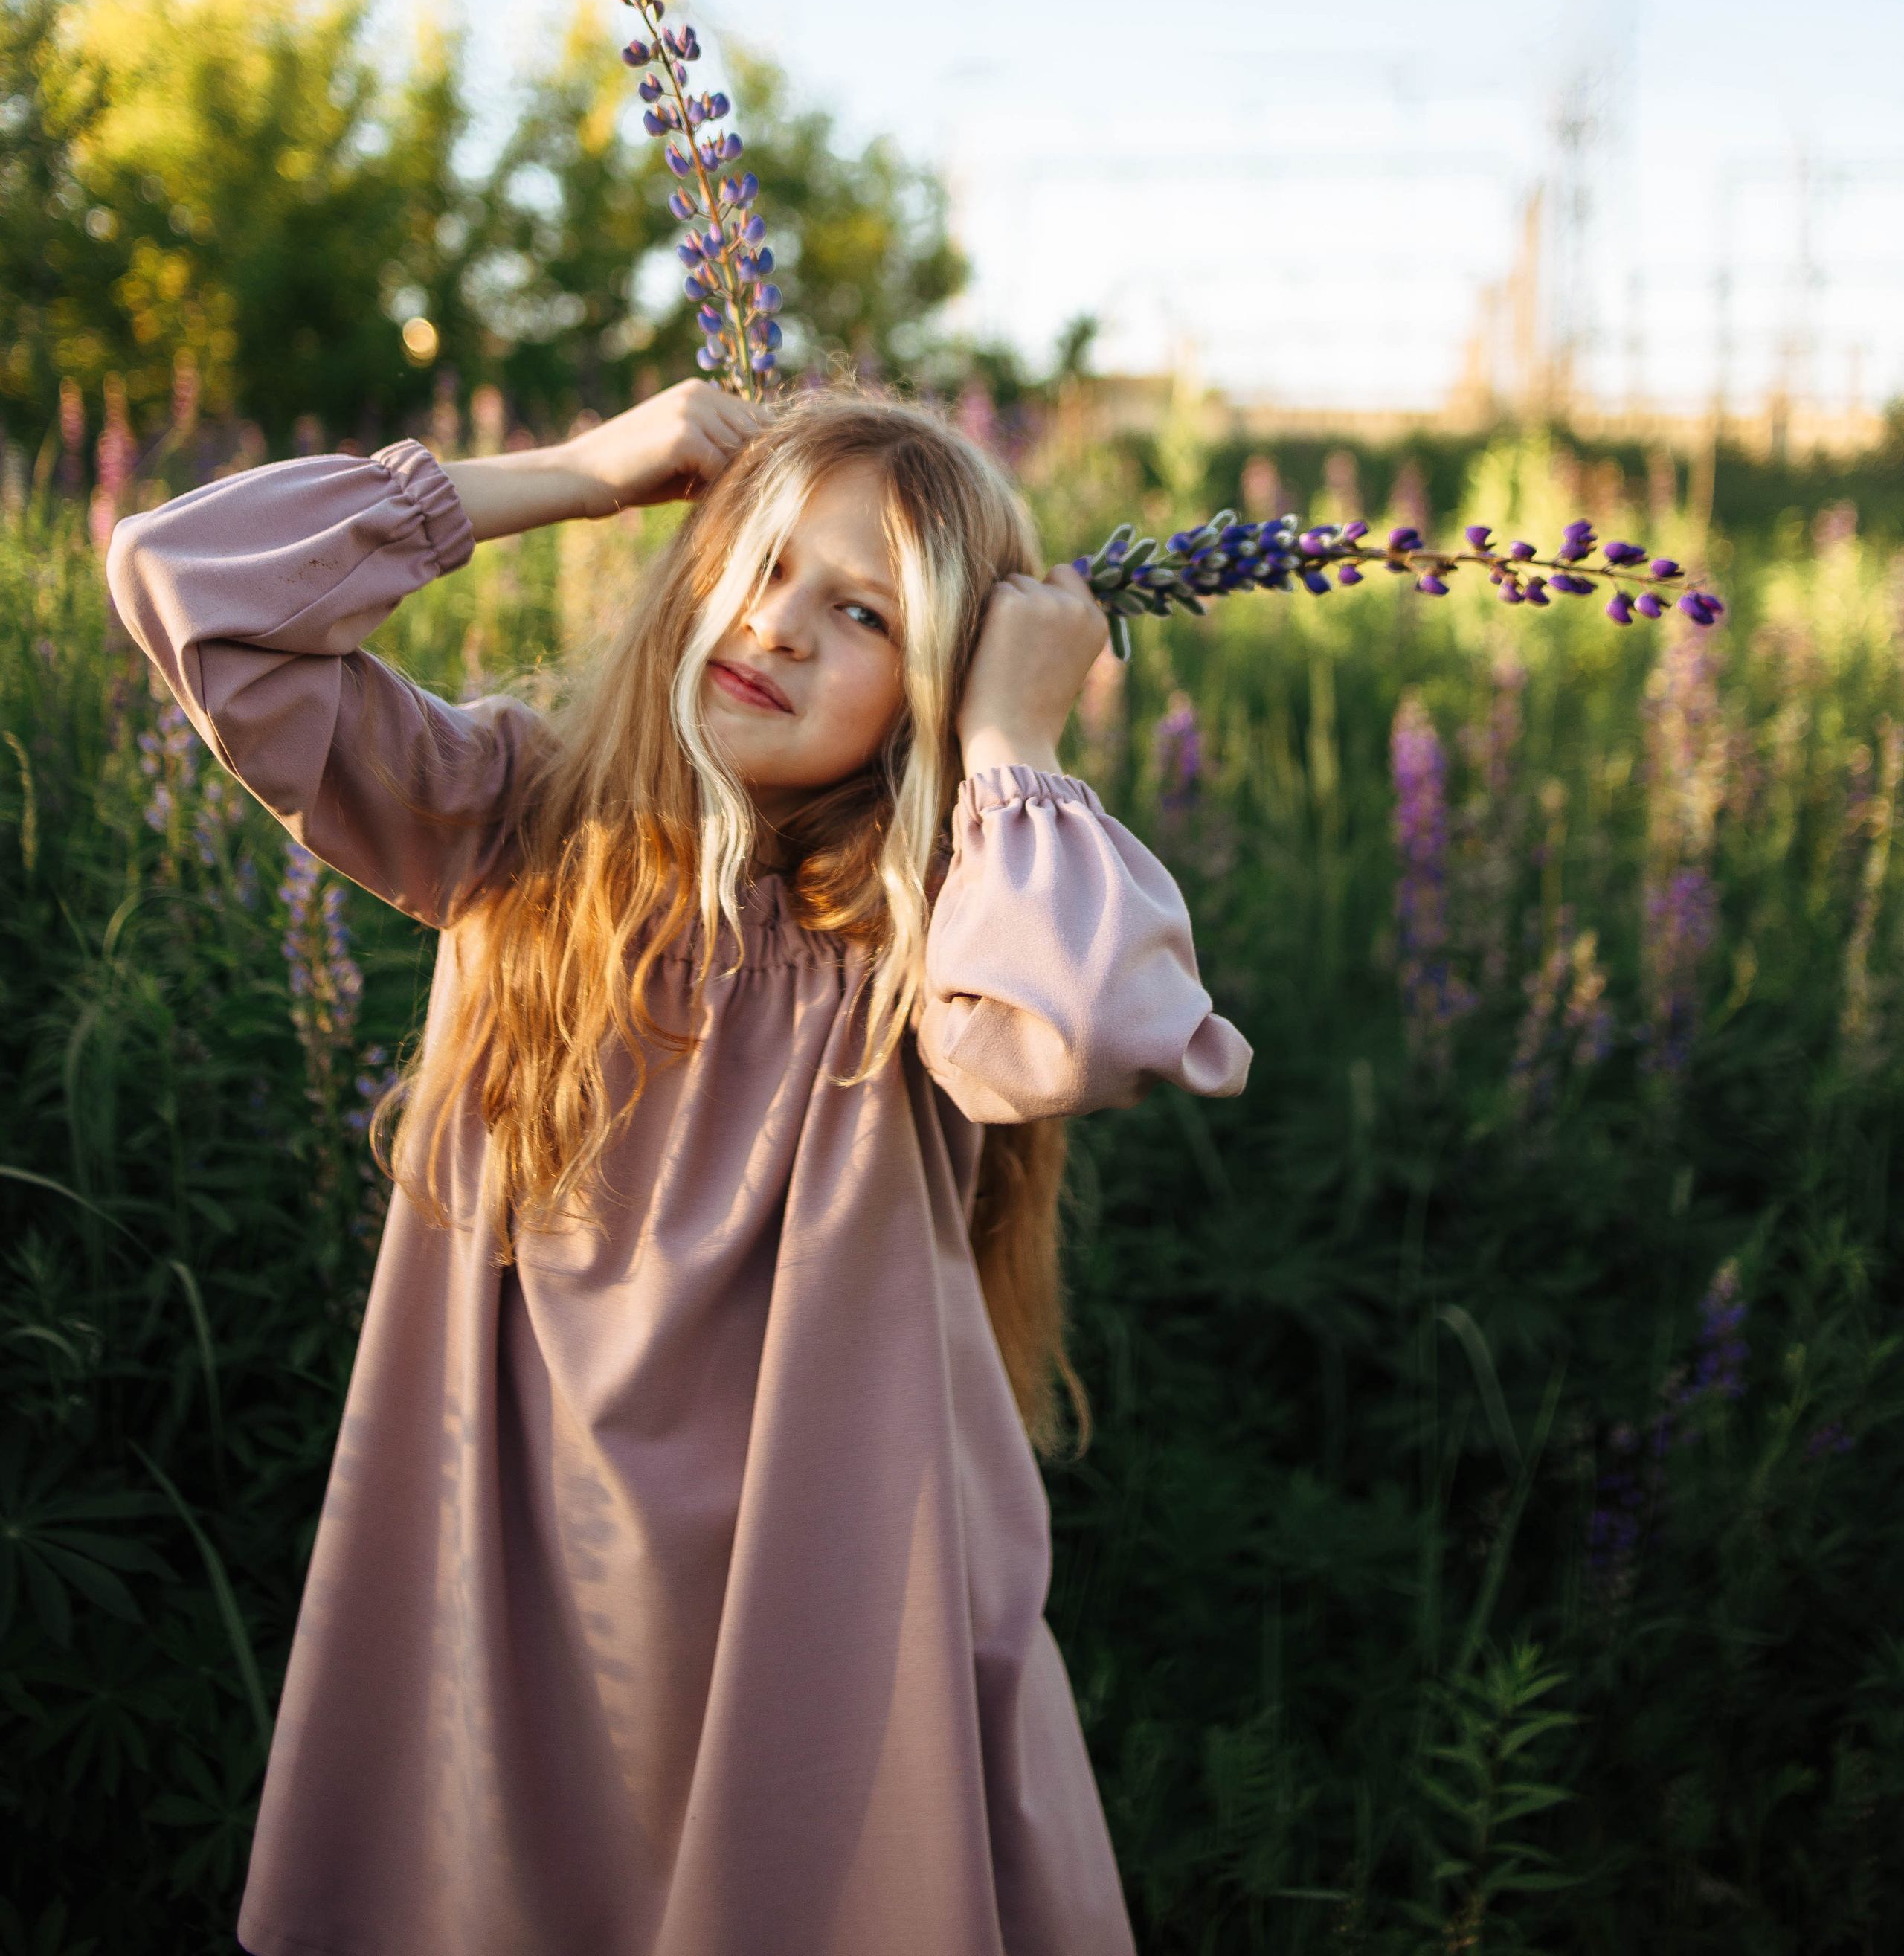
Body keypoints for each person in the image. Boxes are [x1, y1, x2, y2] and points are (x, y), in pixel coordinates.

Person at [108, 380, 1251, 1956]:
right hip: (522, 1601)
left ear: (929, 695)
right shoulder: (514, 833)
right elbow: (190, 585)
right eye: (758, 559)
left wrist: (1011, 738)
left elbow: (1065, 1037)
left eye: (861, 614)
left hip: (825, 1627)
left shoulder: (926, 929)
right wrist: (579, 472)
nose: (776, 627)